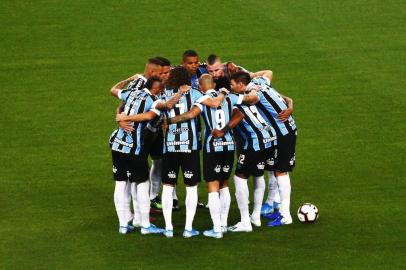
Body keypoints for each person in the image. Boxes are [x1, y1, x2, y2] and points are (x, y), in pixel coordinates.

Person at [163, 74, 258, 238]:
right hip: (228, 145)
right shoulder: (231, 96)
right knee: (224, 184)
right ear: (213, 83)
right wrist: (225, 130)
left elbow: (191, 115)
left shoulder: (201, 97)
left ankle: (216, 229)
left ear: (200, 86)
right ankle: (223, 223)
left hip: (212, 146)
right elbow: (243, 112)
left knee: (213, 187)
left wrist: (170, 121)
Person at [213, 71, 277, 232]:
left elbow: (239, 114)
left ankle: (245, 222)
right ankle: (255, 216)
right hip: (269, 137)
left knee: (240, 178)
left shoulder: (229, 99)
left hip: (254, 142)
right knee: (258, 174)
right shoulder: (245, 95)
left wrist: (224, 130)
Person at [109, 76, 166, 235]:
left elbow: (113, 89)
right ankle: (146, 226)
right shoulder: (153, 100)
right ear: (156, 89)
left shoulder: (131, 93)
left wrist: (129, 79)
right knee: (142, 184)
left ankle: (123, 225)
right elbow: (148, 116)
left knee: (120, 184)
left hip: (118, 145)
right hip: (134, 149)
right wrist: (126, 118)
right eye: (160, 88)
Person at [248, 75, 297, 227]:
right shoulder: (261, 83)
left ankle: (285, 216)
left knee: (281, 171)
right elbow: (269, 73)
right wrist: (290, 103)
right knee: (278, 170)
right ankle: (282, 209)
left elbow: (250, 100)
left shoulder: (253, 92)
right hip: (285, 131)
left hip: (284, 133)